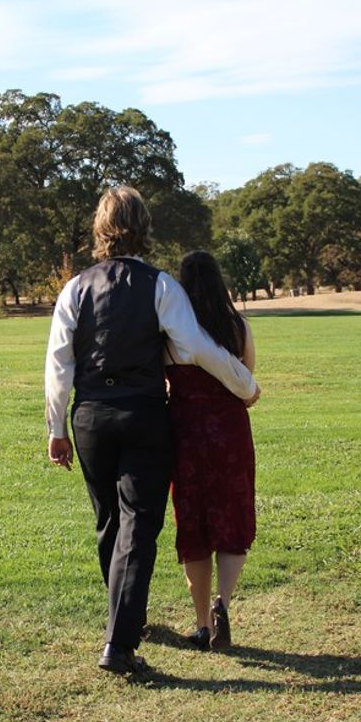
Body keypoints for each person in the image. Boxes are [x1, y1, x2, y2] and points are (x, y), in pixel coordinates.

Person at [44, 186, 259, 675]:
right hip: (143, 413)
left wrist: (56, 427)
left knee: (109, 524)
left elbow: (59, 363)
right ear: (144, 226)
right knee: (139, 526)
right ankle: (119, 643)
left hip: (91, 416)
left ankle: (127, 622)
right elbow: (197, 348)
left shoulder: (75, 288)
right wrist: (244, 384)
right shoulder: (161, 286)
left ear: (100, 230)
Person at [165, 251, 256, 651]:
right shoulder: (237, 326)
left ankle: (201, 622)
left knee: (194, 523)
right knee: (232, 519)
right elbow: (248, 378)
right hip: (231, 430)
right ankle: (223, 603)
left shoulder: (172, 332)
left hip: (184, 430)